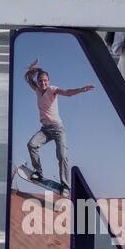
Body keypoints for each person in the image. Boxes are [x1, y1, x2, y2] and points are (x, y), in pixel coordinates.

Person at [23, 58, 94, 191]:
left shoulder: (52, 90)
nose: (43, 83)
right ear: (38, 82)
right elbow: (28, 79)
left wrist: (81, 89)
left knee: (62, 155)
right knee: (31, 144)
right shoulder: (37, 90)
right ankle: (38, 172)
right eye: (40, 81)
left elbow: (67, 93)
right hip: (45, 130)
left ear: (48, 81)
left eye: (45, 81)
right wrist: (32, 69)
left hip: (57, 129)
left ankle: (65, 186)